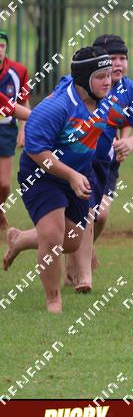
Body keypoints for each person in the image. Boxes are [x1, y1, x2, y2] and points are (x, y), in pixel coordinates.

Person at [3, 47, 114, 313]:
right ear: (84, 79)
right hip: (41, 173)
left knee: (72, 240)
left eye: (109, 75)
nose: (108, 81)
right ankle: (53, 300)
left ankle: (20, 240)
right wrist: (71, 175)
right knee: (52, 235)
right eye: (101, 76)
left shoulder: (104, 101)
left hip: (77, 175)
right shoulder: (57, 106)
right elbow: (35, 150)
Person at [65, 34, 133, 291]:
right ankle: (84, 275)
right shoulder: (78, 84)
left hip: (105, 164)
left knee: (99, 216)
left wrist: (130, 142)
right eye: (112, 58)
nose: (118, 63)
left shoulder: (128, 90)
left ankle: (79, 251)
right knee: (87, 214)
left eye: (123, 58)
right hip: (75, 162)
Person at [0, 29, 30, 230]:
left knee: (4, 184)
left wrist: (23, 130)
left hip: (6, 130)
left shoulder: (18, 71)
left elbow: (20, 104)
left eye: (2, 45)